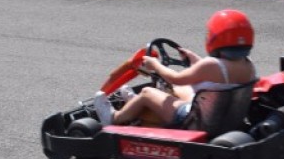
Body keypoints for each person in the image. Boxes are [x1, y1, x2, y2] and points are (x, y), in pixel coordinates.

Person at [93, 9, 257, 126]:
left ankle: (115, 117)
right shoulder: (248, 65)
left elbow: (175, 77)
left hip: (194, 120)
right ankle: (135, 106)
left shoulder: (211, 65)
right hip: (223, 116)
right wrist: (194, 59)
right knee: (178, 87)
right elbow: (215, 74)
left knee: (147, 93)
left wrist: (155, 65)